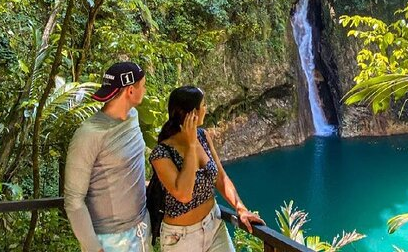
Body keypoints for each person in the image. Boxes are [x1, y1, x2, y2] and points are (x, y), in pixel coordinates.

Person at [149, 86, 263, 251]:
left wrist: (241, 208)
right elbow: (184, 194)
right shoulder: (161, 153)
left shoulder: (202, 136)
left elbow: (221, 178)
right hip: (180, 238)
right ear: (192, 113)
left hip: (214, 224)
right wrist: (190, 145)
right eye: (203, 105)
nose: (206, 109)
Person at [64, 61, 151, 252]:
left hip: (142, 231)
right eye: (143, 85)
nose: (145, 90)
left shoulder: (133, 116)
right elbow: (73, 200)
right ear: (130, 91)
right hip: (111, 241)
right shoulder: (89, 134)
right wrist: (94, 248)